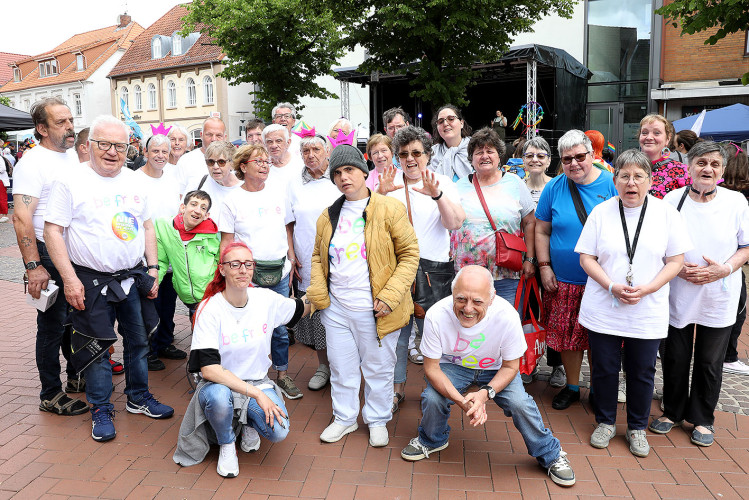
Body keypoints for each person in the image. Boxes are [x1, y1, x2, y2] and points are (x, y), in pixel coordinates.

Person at [43, 115, 174, 442]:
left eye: (119, 145)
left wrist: (153, 268)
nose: (112, 152)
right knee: (97, 347)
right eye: (105, 144)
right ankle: (100, 407)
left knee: (139, 339)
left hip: (132, 277)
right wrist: (70, 279)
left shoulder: (134, 181)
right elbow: (53, 231)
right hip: (90, 281)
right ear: (89, 146)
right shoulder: (70, 181)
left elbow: (146, 226)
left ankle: (138, 396)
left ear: (128, 147)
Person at [399, 266, 576, 487]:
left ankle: (551, 454)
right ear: (452, 294)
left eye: (477, 302)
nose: (468, 308)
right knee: (433, 397)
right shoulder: (437, 314)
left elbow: (512, 367)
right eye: (461, 299)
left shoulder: (507, 316)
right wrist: (462, 401)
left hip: (497, 368)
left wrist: (486, 393)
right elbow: (432, 368)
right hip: (454, 366)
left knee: (519, 403)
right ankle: (431, 439)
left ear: (491, 298)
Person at [575, 149, 690, 457]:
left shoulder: (667, 214)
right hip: (604, 304)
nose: (631, 183)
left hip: (647, 306)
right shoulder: (602, 212)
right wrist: (611, 285)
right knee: (604, 368)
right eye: (624, 176)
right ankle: (606, 422)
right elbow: (587, 257)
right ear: (615, 180)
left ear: (650, 181)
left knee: (642, 370)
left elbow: (676, 261)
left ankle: (637, 427)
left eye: (638, 176)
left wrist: (649, 288)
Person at [308, 144, 419, 447]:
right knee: (342, 368)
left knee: (378, 368)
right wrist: (320, 296)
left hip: (377, 309)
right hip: (337, 309)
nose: (344, 177)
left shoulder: (389, 208)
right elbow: (318, 258)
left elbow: (410, 254)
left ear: (364, 172)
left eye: (350, 170)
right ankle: (344, 418)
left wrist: (390, 295)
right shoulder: (328, 215)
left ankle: (377, 418)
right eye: (338, 173)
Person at [173, 242, 310, 477]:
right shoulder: (210, 308)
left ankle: (248, 423)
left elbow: (301, 307)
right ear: (222, 269)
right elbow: (209, 370)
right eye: (235, 264)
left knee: (279, 430)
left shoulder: (265, 299)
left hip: (256, 380)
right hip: (219, 384)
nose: (243, 270)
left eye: (248, 264)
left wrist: (328, 290)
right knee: (218, 396)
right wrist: (257, 395)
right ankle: (227, 444)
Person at [651, 141, 749, 447]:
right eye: (701, 163)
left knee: (709, 360)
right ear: (689, 166)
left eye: (715, 164)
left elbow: (745, 247)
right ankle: (673, 411)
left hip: (719, 292)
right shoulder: (671, 200)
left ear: (721, 170)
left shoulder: (736, 202)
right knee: (675, 356)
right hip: (679, 290)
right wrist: (677, 268)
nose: (708, 169)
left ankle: (703, 417)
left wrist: (724, 269)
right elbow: (658, 246)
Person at [376, 126, 465, 414]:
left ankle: (435, 389)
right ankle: (396, 389)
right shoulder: (387, 183)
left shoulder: (441, 182)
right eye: (403, 154)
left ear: (427, 155)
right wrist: (380, 194)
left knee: (433, 334)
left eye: (416, 153)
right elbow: (371, 230)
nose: (410, 159)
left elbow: (454, 224)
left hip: (433, 271)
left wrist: (437, 195)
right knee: (398, 336)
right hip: (398, 271)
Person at [11, 97, 87, 416]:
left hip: (71, 253)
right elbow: (21, 217)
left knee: (73, 320)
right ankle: (50, 393)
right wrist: (34, 266)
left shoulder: (70, 158)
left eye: (70, 120)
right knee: (52, 324)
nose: (70, 127)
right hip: (46, 252)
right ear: (42, 129)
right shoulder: (32, 162)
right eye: (60, 122)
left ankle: (75, 376)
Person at [535, 129, 617, 411]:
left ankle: (598, 389)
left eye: (579, 157)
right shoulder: (554, 187)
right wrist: (544, 267)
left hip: (601, 281)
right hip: (564, 280)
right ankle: (572, 386)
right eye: (567, 159)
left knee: (599, 340)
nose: (573, 164)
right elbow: (542, 230)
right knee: (569, 339)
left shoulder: (610, 184)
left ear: (592, 155)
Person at [219, 143, 302, 400]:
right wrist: (226, 272)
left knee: (278, 327)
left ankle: (282, 374)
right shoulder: (232, 199)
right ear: (243, 167)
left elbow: (287, 228)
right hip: (247, 274)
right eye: (259, 161)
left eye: (267, 161)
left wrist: (291, 259)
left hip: (277, 269)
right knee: (248, 325)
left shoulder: (278, 192)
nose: (265, 165)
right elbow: (227, 240)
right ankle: (247, 376)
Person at [451, 128, 536, 305]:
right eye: (479, 152)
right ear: (471, 158)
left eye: (490, 151)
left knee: (505, 326)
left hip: (506, 274)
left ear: (499, 156)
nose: (484, 156)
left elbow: (529, 222)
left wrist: (529, 259)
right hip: (468, 276)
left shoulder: (514, 182)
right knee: (472, 326)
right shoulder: (459, 185)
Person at [286, 135, 341, 390]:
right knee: (316, 313)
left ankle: (344, 366)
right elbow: (289, 223)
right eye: (305, 150)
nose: (311, 154)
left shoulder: (340, 177)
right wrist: (291, 254)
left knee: (341, 312)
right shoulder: (294, 183)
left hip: (341, 260)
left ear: (327, 150)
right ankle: (323, 366)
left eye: (316, 149)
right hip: (307, 260)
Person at [135, 134, 185, 369]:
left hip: (170, 250)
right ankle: (148, 351)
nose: (160, 156)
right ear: (145, 153)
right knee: (149, 302)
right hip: (147, 253)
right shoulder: (135, 180)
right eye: (155, 151)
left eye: (164, 152)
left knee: (168, 301)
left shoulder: (172, 179)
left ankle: (164, 341)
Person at [521, 137, 565, 387]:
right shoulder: (515, 186)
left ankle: (557, 364)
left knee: (554, 311)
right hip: (526, 259)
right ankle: (530, 360)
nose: (535, 159)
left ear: (549, 160)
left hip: (552, 259)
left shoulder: (558, 185)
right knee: (529, 311)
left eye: (540, 155)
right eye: (529, 155)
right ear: (523, 160)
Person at [155, 189, 220, 326]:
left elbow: (220, 262)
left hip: (210, 296)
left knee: (205, 336)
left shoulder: (213, 234)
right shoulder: (164, 227)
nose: (197, 210)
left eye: (203, 208)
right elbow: (161, 261)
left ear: (206, 215)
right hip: (185, 295)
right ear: (183, 208)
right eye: (194, 204)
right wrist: (153, 283)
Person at [721, 142, 749, 375]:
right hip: (731, 263)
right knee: (737, 308)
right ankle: (728, 355)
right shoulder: (740, 196)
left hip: (729, 261)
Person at [639, 114, 690, 199]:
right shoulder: (629, 168)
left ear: (668, 139)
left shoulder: (682, 171)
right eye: (644, 133)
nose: (649, 137)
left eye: (657, 133)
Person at [194, 140, 241, 228]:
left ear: (232, 163)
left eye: (221, 162)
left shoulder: (243, 187)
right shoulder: (199, 182)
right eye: (211, 162)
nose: (215, 167)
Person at [177, 118, 228, 194]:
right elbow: (180, 194)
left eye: (218, 135)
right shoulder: (186, 161)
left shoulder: (232, 162)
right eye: (209, 135)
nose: (214, 139)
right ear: (201, 135)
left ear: (225, 137)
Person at [430, 104, 472, 181]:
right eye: (440, 121)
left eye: (451, 119)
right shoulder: (431, 154)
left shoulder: (477, 148)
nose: (445, 124)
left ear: (461, 123)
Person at [263, 124, 305, 190]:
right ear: (264, 144)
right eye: (269, 142)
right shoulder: (261, 167)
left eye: (278, 141)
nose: (274, 146)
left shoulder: (301, 164)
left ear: (288, 143)